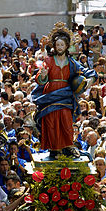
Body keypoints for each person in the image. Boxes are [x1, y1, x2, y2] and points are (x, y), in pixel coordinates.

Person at [32, 23, 97, 158]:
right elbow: (40, 78)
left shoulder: (72, 62)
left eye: (62, 45)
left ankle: (68, 146)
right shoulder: (49, 60)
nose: (60, 47)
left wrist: (89, 80)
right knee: (52, 122)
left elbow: (87, 72)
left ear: (67, 46)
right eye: (58, 45)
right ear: (54, 46)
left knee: (66, 122)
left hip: (66, 95)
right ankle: (54, 149)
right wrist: (43, 75)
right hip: (51, 94)